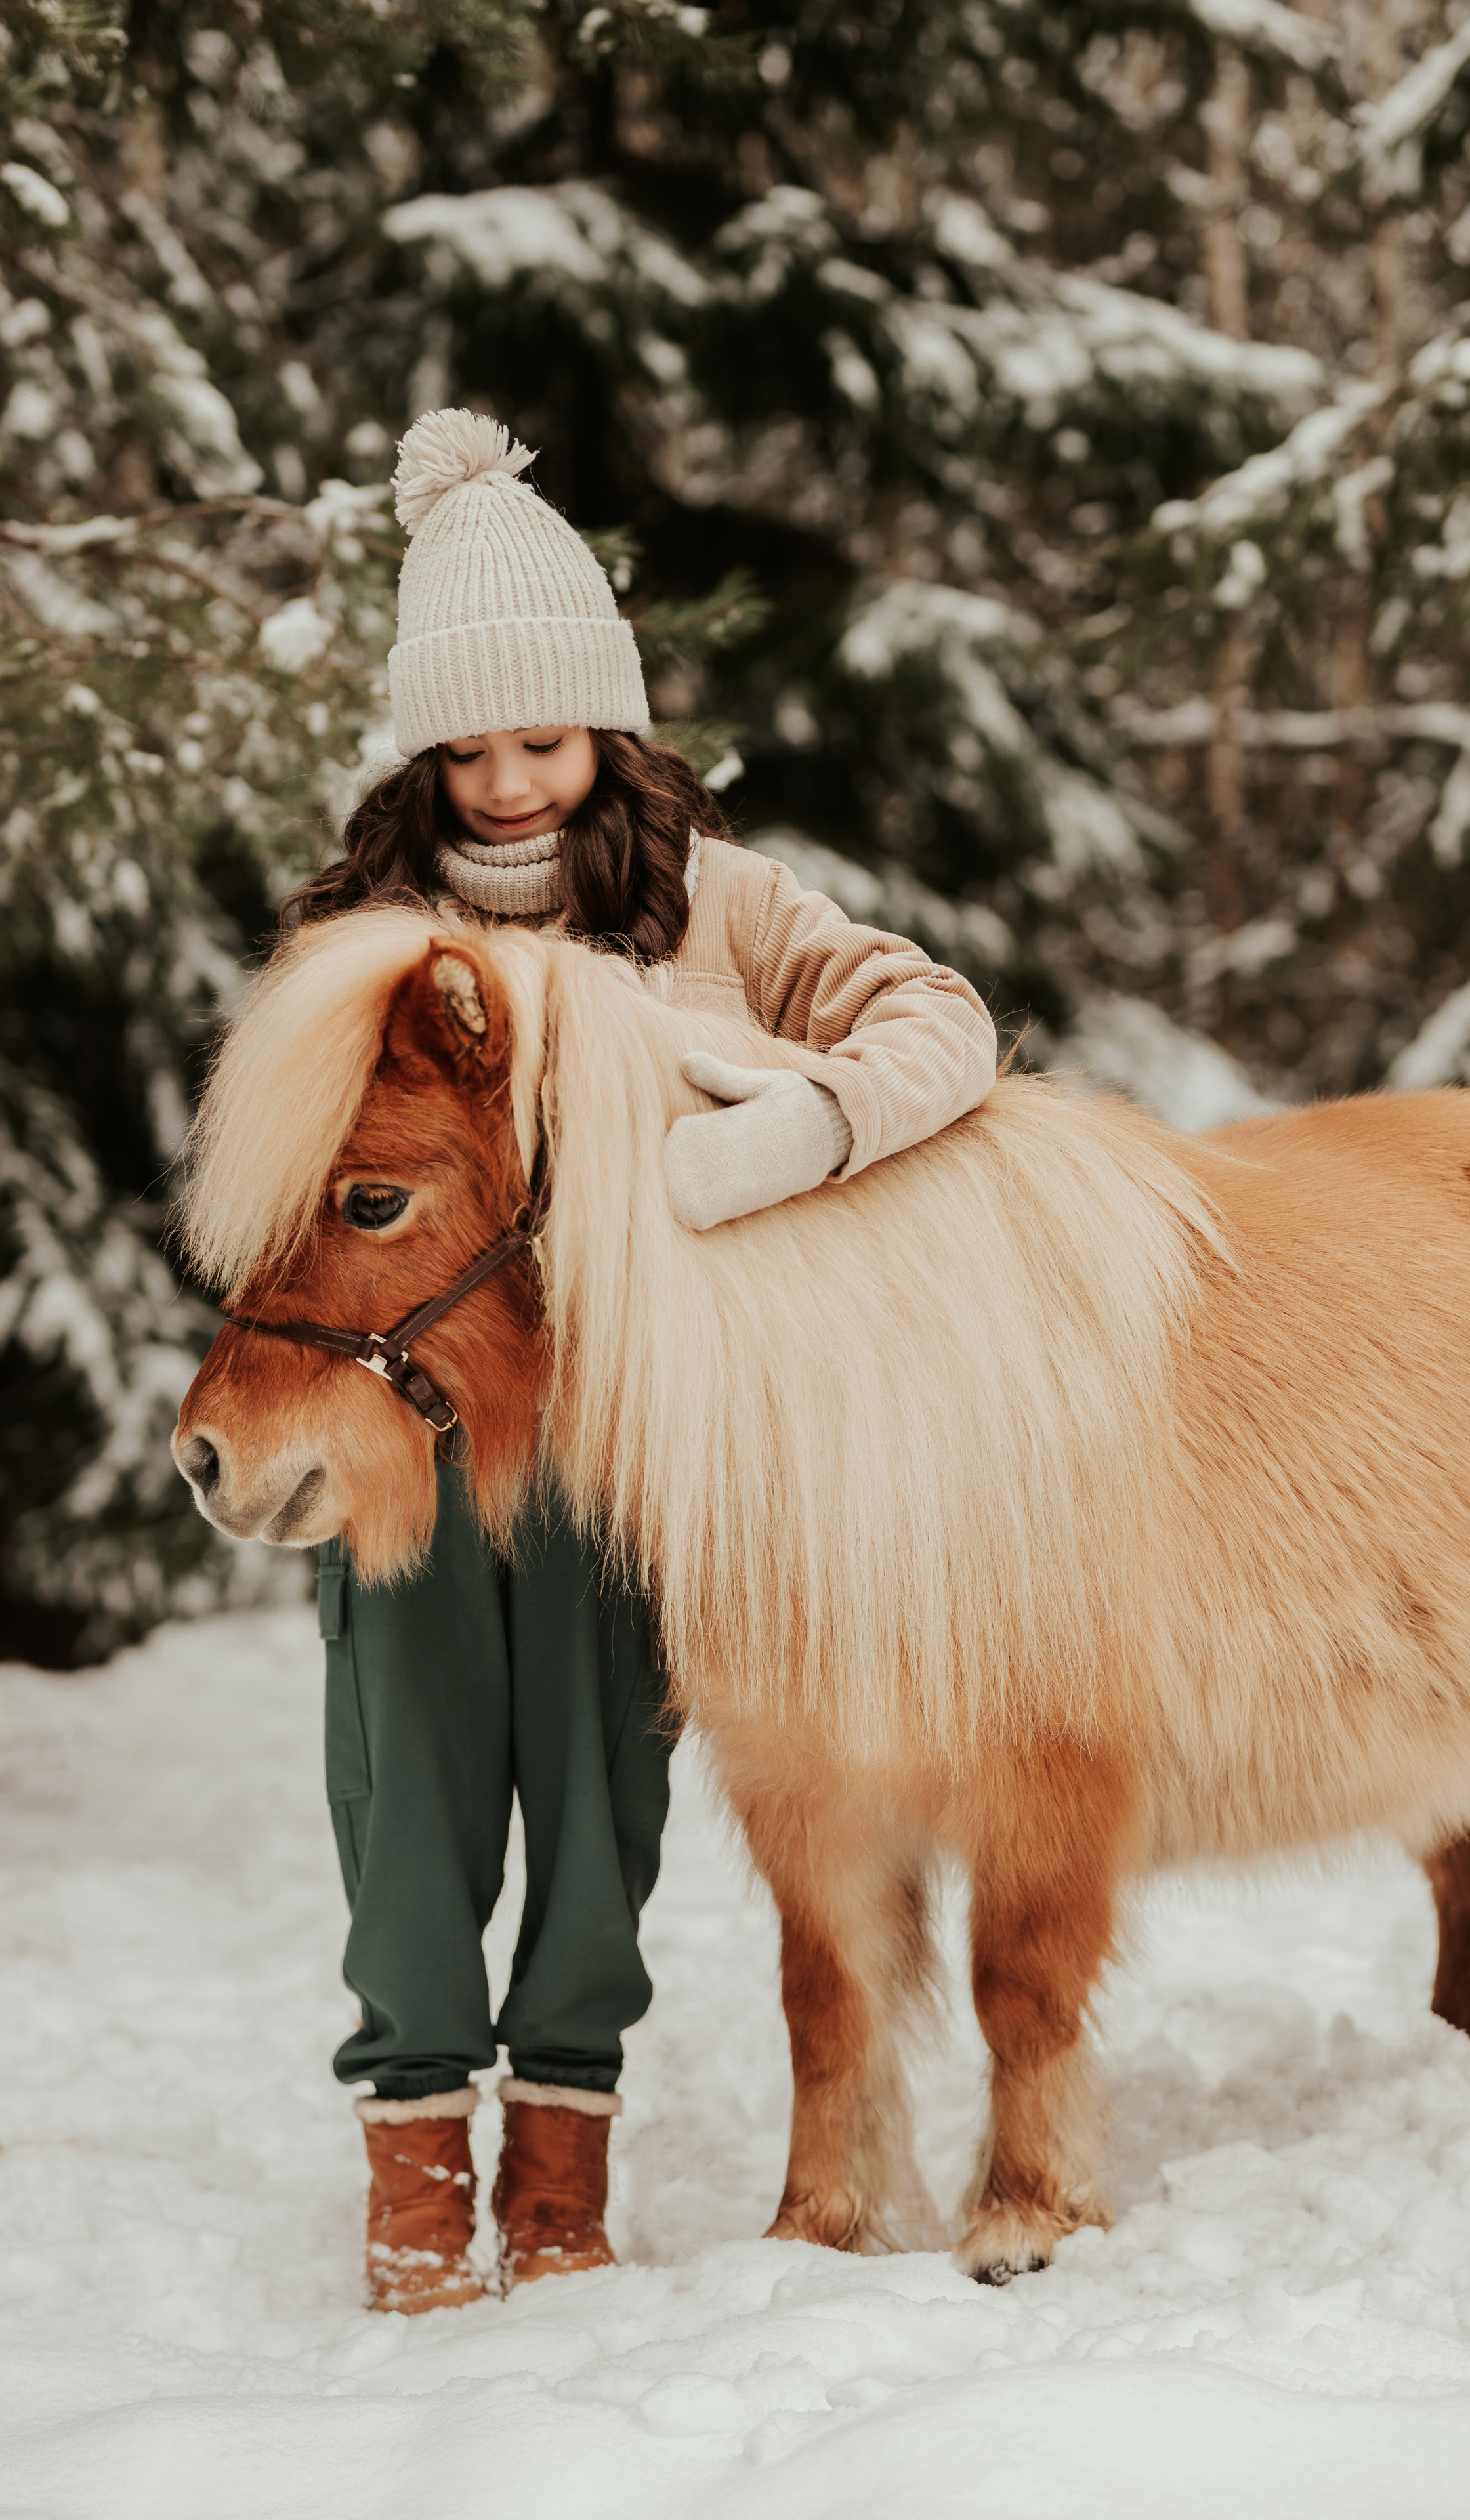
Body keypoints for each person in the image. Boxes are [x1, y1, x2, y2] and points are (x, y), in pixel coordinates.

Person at [295, 408, 998, 2313]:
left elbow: (943, 1020)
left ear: (608, 727)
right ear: (421, 750)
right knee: (413, 1796)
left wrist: (806, 1126)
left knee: (604, 1817)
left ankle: (561, 2170)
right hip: (421, 1456)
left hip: (646, 1463)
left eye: (545, 739)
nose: (512, 785)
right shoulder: (366, 946)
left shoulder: (722, 902)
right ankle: (421, 2166)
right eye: (470, 745)